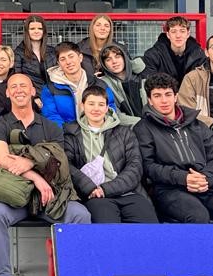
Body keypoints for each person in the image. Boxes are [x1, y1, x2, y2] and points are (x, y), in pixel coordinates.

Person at [0, 73, 91, 276]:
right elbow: (2, 159)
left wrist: (28, 161)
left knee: (80, 215)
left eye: (24, 85)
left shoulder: (51, 127)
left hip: (49, 198)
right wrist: (35, 175)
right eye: (13, 86)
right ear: (7, 93)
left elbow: (58, 162)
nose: (19, 90)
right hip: (15, 198)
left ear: (33, 91)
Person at [135, 73, 213, 224]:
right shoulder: (143, 128)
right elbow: (149, 167)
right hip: (170, 189)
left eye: (168, 94)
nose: (164, 100)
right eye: (157, 96)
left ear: (176, 97)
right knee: (198, 217)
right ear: (150, 100)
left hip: (206, 185)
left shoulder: (196, 124)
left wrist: (206, 178)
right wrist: (184, 178)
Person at [62, 86, 157, 224]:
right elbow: (68, 166)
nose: (96, 109)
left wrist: (106, 189)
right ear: (82, 106)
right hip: (93, 195)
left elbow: (135, 167)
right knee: (108, 227)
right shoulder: (71, 133)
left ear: (107, 108)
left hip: (127, 192)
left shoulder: (124, 132)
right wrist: (90, 188)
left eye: (101, 104)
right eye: (91, 104)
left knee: (149, 227)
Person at [40, 41, 116, 128]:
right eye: (63, 59)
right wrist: (71, 132)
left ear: (80, 58)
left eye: (71, 56)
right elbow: (51, 116)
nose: (68, 62)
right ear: (58, 63)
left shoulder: (99, 84)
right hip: (67, 133)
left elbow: (110, 108)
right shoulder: (50, 89)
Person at [141, 15, 206, 84]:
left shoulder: (199, 55)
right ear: (168, 35)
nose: (178, 35)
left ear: (188, 34)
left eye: (182, 31)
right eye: (173, 31)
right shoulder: (153, 55)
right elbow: (151, 83)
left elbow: (202, 82)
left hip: (190, 91)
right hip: (164, 90)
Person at [98, 44, 146, 119]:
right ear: (104, 65)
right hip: (126, 125)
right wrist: (140, 122)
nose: (114, 61)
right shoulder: (104, 84)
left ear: (124, 58)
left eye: (117, 56)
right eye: (108, 60)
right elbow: (113, 113)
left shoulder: (143, 77)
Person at [13, 14, 50, 94]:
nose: (36, 31)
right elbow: (18, 78)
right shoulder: (18, 52)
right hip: (30, 96)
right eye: (32, 29)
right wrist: (34, 97)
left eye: (40, 28)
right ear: (27, 31)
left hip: (51, 95)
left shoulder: (52, 51)